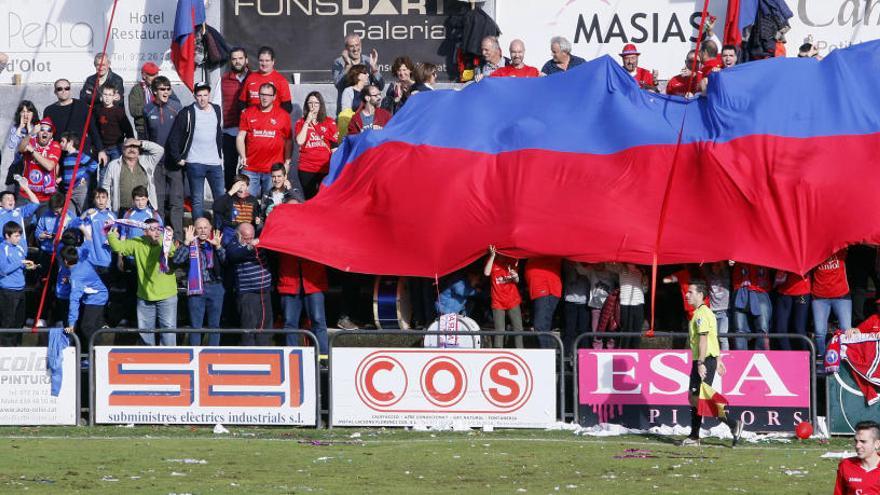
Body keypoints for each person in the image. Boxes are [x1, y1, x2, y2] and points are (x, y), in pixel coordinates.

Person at [680, 281, 744, 447]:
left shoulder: (701, 314)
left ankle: (732, 423)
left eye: (691, 292)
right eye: (687, 292)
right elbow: (712, 338)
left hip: (703, 360)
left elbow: (703, 340)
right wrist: (718, 359)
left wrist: (701, 362)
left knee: (699, 398)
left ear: (701, 295)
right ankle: (695, 435)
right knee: (695, 398)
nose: (687, 295)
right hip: (707, 359)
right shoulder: (705, 312)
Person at [108, 218, 177, 346]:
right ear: (145, 232)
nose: (156, 232)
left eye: (158, 228)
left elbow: (172, 251)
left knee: (168, 332)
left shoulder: (165, 240)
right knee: (145, 333)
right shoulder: (138, 242)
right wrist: (111, 233)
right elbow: (118, 247)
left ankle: (169, 360)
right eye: (152, 229)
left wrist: (166, 239)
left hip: (167, 295)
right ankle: (148, 360)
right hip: (144, 296)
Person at [166, 82, 224, 220]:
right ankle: (199, 234)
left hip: (215, 162)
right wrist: (178, 158)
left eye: (205, 95)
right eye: (199, 95)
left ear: (209, 95)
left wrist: (220, 154)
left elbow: (218, 132)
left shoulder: (216, 109)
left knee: (220, 199)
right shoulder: (187, 112)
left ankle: (219, 231)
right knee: (197, 200)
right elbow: (173, 138)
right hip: (195, 162)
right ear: (194, 96)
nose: (202, 98)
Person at [278, 217, 329, 355]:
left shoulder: (316, 230)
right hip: (290, 283)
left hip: (313, 283)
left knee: (318, 321)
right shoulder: (281, 230)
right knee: (289, 323)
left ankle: (323, 358)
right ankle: (291, 357)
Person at [172, 219, 225, 346]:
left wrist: (218, 247)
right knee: (195, 326)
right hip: (196, 289)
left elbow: (226, 262)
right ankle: (196, 356)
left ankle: (213, 356)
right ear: (194, 229)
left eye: (205, 228)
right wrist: (186, 242)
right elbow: (177, 260)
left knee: (215, 325)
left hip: (215, 287)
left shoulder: (216, 241)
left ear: (210, 228)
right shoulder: (190, 244)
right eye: (199, 228)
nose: (202, 231)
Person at [143, 76, 184, 241]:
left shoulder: (177, 107)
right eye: (162, 89)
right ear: (154, 91)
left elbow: (183, 135)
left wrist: (181, 157)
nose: (166, 92)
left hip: (173, 163)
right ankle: (158, 239)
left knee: (176, 201)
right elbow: (145, 136)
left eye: (168, 89)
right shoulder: (147, 110)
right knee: (157, 202)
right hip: (156, 164)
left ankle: (179, 240)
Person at [237, 83, 293, 198]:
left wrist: (287, 162)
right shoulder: (248, 113)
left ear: (274, 97)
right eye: (262, 94)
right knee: (247, 203)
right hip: (250, 168)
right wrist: (243, 156)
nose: (264, 97)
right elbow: (240, 137)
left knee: (270, 205)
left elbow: (288, 140)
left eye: (268, 95)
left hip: (273, 171)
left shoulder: (283, 115)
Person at [225, 222, 273, 346]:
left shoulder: (259, 241)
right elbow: (233, 255)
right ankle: (249, 356)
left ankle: (265, 354)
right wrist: (250, 246)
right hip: (248, 294)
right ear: (239, 235)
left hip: (265, 292)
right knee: (249, 327)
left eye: (251, 237)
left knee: (265, 327)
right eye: (246, 238)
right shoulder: (234, 244)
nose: (250, 240)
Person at [62, 232, 108, 356]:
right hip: (92, 296)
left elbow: (74, 301)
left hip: (97, 297)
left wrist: (71, 324)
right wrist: (83, 228)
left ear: (65, 261)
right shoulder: (82, 259)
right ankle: (87, 355)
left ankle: (99, 355)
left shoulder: (77, 277)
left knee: (87, 327)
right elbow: (88, 242)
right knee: (90, 326)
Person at [44, 79, 105, 161]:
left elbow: (93, 130)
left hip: (81, 153)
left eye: (67, 88)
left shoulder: (82, 106)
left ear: (70, 90)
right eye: (59, 89)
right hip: (59, 154)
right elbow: (46, 134)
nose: (63, 91)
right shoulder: (49, 110)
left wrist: (100, 150)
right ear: (55, 92)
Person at [101, 138, 163, 214]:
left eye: (135, 146)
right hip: (122, 210)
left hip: (144, 209)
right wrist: (107, 208)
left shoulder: (148, 161)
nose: (132, 149)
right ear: (123, 149)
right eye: (129, 146)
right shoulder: (113, 165)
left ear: (139, 149)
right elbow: (106, 187)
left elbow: (160, 150)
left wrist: (140, 143)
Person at [295, 92, 338, 199]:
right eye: (310, 103)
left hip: (325, 168)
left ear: (321, 105)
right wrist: (307, 122)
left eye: (316, 103)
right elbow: (300, 141)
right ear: (306, 105)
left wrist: (335, 168)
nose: (313, 106)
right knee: (309, 198)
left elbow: (334, 148)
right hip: (306, 167)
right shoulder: (300, 122)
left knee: (324, 198)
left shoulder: (329, 122)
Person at [0, 221, 37, 346]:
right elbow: (3, 270)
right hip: (8, 291)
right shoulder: (2, 249)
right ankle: (6, 348)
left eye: (19, 235)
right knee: (8, 322)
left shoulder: (20, 248)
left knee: (19, 321)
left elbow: (20, 265)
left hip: (21, 289)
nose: (19, 238)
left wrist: (28, 266)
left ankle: (17, 346)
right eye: (16, 236)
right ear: (7, 236)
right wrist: (20, 263)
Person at [812, 249, 852, 363]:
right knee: (819, 332)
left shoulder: (840, 248)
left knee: (846, 330)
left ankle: (845, 359)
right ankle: (822, 359)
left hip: (841, 295)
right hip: (819, 297)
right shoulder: (813, 251)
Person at [221, 47, 250, 188]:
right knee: (230, 169)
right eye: (234, 59)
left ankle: (248, 201)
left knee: (248, 168)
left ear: (246, 60)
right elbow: (216, 104)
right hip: (230, 131)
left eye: (240, 58)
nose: (237, 62)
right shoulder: (224, 80)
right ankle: (230, 199)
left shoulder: (254, 78)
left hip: (250, 132)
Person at [332, 34, 384, 113]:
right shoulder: (339, 62)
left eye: (357, 45)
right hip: (347, 111)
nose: (355, 49)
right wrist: (347, 66)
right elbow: (338, 85)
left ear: (361, 45)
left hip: (367, 110)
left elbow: (380, 86)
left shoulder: (368, 61)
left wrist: (374, 70)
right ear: (346, 48)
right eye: (352, 46)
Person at [484, 245, 523, 348]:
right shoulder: (492, 261)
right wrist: (492, 256)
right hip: (498, 301)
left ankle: (522, 353)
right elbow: (486, 273)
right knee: (500, 330)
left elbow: (516, 280)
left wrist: (516, 276)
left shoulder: (512, 259)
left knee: (518, 329)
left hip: (513, 300)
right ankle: (498, 353)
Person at [17, 117, 61, 203]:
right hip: (27, 195)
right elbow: (21, 149)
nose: (45, 132)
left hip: (46, 198)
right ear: (38, 132)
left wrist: (32, 151)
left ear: (52, 134)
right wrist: (30, 133)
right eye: (42, 129)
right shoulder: (31, 141)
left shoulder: (55, 145)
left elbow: (49, 166)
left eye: (49, 130)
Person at [731, 262, 772, 350]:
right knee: (739, 330)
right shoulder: (737, 250)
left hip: (760, 291)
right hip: (740, 290)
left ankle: (761, 357)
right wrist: (729, 262)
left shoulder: (765, 250)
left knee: (763, 328)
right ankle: (740, 358)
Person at [238, 46, 292, 112]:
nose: (264, 63)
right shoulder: (250, 78)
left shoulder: (281, 80)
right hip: (253, 119)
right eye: (261, 60)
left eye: (267, 60)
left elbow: (287, 107)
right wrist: (246, 114)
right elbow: (242, 102)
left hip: (272, 120)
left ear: (273, 61)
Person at [58, 131, 100, 213]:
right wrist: (61, 178)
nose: (60, 143)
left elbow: (94, 164)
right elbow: (69, 172)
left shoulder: (78, 155)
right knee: (70, 214)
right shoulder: (66, 157)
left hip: (79, 189)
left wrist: (85, 176)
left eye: (63, 141)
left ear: (70, 142)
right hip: (68, 191)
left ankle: (86, 225)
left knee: (84, 212)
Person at [834, 421, 880, 494]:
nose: (857, 446)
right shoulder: (845, 465)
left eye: (863, 441)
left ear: (877, 444)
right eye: (856, 441)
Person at [526, 257, 562, 348]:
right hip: (541, 290)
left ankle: (547, 355)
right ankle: (548, 354)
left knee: (540, 325)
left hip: (546, 288)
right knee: (543, 326)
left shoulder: (548, 248)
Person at [213, 174, 261, 242]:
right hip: (231, 230)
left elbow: (256, 215)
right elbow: (216, 207)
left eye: (243, 185)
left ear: (247, 187)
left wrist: (257, 220)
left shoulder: (253, 200)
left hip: (246, 230)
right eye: (238, 185)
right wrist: (231, 192)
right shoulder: (229, 198)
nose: (240, 188)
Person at [95, 83, 135, 163]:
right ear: (101, 96)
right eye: (105, 94)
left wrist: (131, 142)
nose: (107, 97)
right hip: (103, 147)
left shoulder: (118, 111)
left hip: (116, 146)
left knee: (116, 170)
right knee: (104, 171)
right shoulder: (97, 110)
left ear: (114, 97)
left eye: (110, 95)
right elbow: (95, 128)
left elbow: (127, 128)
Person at [773, 271, 811, 351]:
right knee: (780, 329)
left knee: (799, 328)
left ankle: (806, 357)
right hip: (784, 292)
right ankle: (789, 356)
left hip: (802, 293)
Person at [129, 62, 160, 138]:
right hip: (143, 128)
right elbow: (133, 111)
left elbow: (174, 102)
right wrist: (153, 106)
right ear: (144, 75)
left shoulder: (163, 87)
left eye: (156, 74)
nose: (155, 77)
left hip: (160, 126)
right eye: (152, 75)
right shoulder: (136, 90)